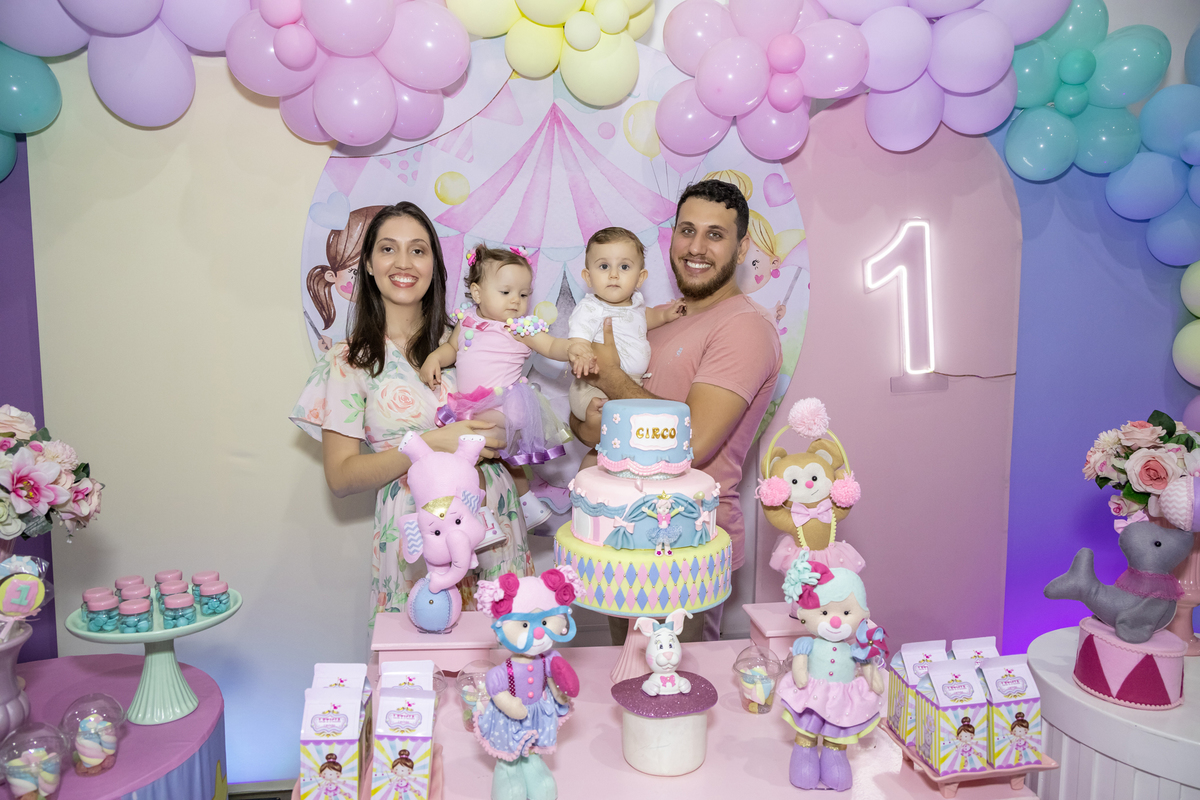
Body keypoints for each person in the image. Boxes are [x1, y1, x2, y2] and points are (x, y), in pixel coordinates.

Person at [291, 203, 535, 636]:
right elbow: (341, 477)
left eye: (418, 251)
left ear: (435, 265)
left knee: (506, 673)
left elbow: (512, 436)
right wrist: (436, 442)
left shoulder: (470, 339)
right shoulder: (350, 362)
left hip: (494, 530)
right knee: (420, 682)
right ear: (367, 264)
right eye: (388, 249)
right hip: (416, 545)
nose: (404, 263)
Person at [572, 180, 783, 642]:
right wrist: (586, 413)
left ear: (742, 245)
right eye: (687, 230)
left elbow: (695, 442)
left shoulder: (744, 328)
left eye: (715, 234)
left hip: (684, 542)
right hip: (623, 533)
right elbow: (593, 428)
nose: (697, 246)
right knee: (626, 677)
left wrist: (611, 378)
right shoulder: (659, 317)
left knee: (667, 690)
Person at [419, 244, 591, 528]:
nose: (516, 301)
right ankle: (528, 505)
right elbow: (452, 348)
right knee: (499, 458)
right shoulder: (467, 321)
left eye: (523, 294)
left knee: (471, 452)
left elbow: (551, 345)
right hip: (469, 404)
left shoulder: (519, 328)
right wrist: (434, 358)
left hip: (505, 406)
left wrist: (572, 347)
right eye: (506, 292)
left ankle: (477, 518)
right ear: (477, 293)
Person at [566, 227, 686, 469]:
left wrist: (665, 315)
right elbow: (577, 337)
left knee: (622, 443)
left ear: (640, 278)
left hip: (629, 383)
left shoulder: (637, 304)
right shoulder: (590, 308)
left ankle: (608, 473)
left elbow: (644, 318)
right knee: (623, 428)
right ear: (588, 277)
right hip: (592, 387)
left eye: (624, 267)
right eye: (603, 266)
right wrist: (582, 352)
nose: (613, 275)